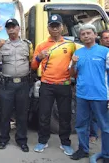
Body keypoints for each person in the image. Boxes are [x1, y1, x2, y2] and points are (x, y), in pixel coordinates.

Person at [31, 14, 75, 156]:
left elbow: (74, 65)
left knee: (65, 115)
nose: (55, 28)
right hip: (47, 85)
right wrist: (39, 57)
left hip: (64, 85)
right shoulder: (41, 45)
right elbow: (33, 66)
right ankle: (43, 141)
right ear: (48, 28)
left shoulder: (70, 45)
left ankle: (65, 143)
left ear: (62, 27)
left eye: (57, 26)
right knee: (44, 115)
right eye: (52, 26)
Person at [69, 24, 109, 162]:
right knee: (81, 125)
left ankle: (106, 154)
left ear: (95, 35)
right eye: (83, 34)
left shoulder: (105, 52)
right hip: (82, 95)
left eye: (88, 33)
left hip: (101, 95)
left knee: (104, 126)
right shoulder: (78, 53)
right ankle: (83, 150)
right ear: (80, 37)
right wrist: (73, 64)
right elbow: (72, 74)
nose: (86, 36)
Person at [0, 18, 33, 152]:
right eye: (8, 27)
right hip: (7, 85)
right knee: (5, 113)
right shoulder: (2, 44)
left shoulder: (27, 44)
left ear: (18, 28)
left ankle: (21, 140)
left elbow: (32, 62)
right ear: (6, 30)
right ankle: (3, 139)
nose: (11, 29)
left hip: (23, 83)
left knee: (22, 114)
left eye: (13, 27)